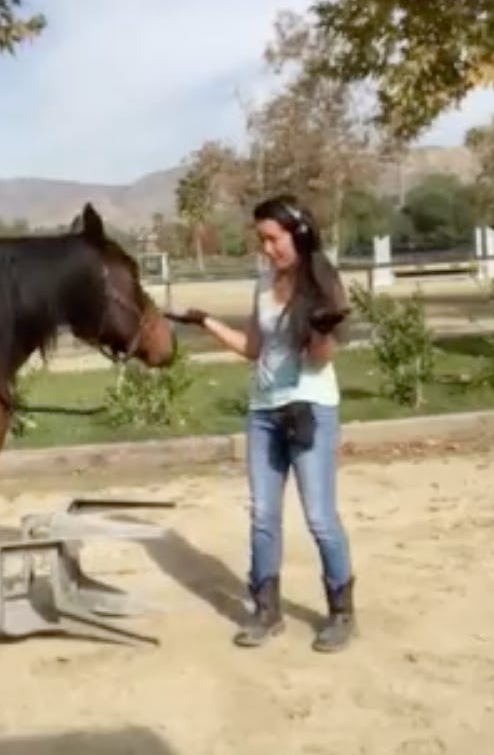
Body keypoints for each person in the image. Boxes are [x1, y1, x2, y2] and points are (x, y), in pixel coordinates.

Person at [171, 194, 356, 652]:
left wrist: (322, 331)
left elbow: (320, 359)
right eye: (262, 240)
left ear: (299, 234)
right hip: (263, 412)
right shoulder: (263, 284)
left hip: (309, 408)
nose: (267, 249)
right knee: (263, 515)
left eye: (274, 239)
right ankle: (266, 611)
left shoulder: (323, 283)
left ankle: (341, 613)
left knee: (320, 517)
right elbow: (254, 349)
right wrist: (206, 321)